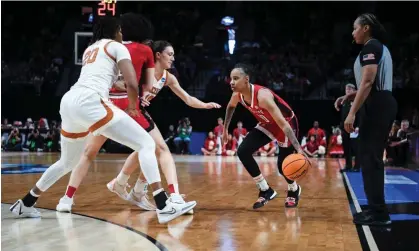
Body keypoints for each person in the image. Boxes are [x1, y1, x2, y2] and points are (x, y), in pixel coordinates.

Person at [10, 16, 195, 224]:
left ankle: (26, 202)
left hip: (69, 101)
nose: (122, 33)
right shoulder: (118, 47)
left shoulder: (90, 49)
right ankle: (164, 205)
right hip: (92, 101)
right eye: (120, 30)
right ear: (115, 31)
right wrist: (134, 106)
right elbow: (132, 82)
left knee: (67, 162)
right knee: (146, 144)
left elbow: (115, 80)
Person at [335, 13, 397, 226]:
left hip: (378, 104)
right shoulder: (376, 47)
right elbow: (369, 83)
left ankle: (379, 213)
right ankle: (374, 209)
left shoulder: (371, 47)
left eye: (355, 28)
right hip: (379, 101)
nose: (352, 32)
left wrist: (352, 112)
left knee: (371, 158)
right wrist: (349, 96)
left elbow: (369, 82)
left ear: (366, 28)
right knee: (368, 157)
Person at [222, 63, 309, 209]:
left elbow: (283, 123)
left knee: (283, 166)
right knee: (243, 151)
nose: (231, 82)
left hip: (285, 124)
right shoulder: (237, 95)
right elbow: (230, 107)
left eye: (236, 78)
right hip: (267, 123)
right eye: (231, 78)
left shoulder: (263, 96)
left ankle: (294, 190)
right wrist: (225, 129)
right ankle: (265, 189)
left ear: (246, 79)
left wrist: (298, 148)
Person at [339, 84, 360, 172]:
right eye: (346, 89)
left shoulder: (357, 100)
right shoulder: (344, 102)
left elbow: (359, 114)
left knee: (355, 148)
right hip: (344, 129)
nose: (347, 90)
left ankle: (357, 166)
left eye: (350, 89)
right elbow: (343, 116)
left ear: (354, 90)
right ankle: (348, 166)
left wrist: (358, 126)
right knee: (346, 148)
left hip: (354, 128)